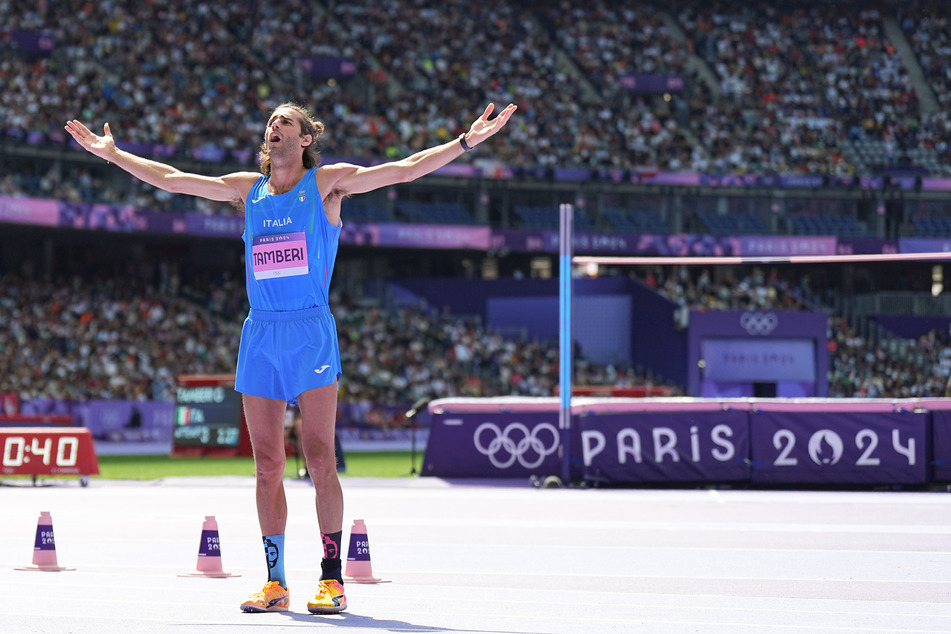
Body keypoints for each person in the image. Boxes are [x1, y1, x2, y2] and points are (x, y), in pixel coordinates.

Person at [65, 101, 517, 614]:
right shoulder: (247, 190)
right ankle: (275, 582)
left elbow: (406, 169)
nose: (273, 127)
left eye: (285, 122)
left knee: (320, 457)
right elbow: (172, 179)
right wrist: (112, 154)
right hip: (260, 334)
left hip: (309, 332)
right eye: (270, 122)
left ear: (305, 139)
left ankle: (331, 579)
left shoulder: (327, 184)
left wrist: (466, 142)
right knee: (266, 467)